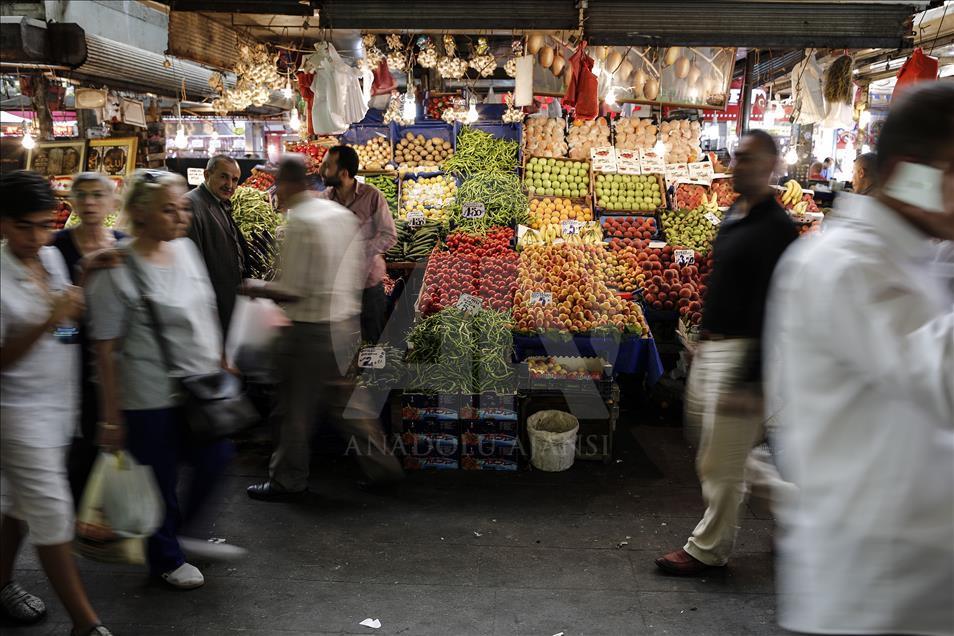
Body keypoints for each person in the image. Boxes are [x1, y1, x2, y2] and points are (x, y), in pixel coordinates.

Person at [768, 82, 954, 636]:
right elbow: (940, 373)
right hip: (878, 587)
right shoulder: (847, 265)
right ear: (910, 172)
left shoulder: (910, 258)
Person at [655, 130, 798, 576]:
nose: (737, 166)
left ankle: (708, 548)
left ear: (772, 166)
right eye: (737, 157)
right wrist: (705, 339)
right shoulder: (735, 213)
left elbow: (775, 307)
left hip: (746, 355)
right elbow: (724, 284)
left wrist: (751, 378)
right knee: (719, 453)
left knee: (720, 462)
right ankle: (800, 514)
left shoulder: (778, 229)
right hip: (718, 348)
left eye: (749, 159)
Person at [86, 170, 237, 590]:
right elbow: (105, 347)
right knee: (160, 478)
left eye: (182, 208)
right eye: (168, 209)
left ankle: (180, 533)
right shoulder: (116, 267)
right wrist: (111, 416)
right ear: (139, 212)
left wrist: (220, 356)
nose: (180, 216)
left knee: (216, 456)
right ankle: (165, 558)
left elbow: (205, 306)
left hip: (196, 384)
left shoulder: (186, 250)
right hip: (145, 393)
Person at [245, 157, 402, 502]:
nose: (275, 192)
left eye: (277, 185)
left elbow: (294, 289)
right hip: (343, 324)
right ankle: (384, 467)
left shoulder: (300, 222)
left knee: (293, 410)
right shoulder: (338, 215)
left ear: (287, 184)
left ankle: (287, 481)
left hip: (309, 330)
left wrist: (257, 288)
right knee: (348, 404)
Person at [0, 171, 112, 636]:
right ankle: (86, 624)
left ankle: (2, 584)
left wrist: (77, 298)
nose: (36, 237)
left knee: (15, 504)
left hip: (58, 406)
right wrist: (52, 318)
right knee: (52, 514)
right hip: (18, 412)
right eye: (24, 226)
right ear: (3, 223)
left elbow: (64, 334)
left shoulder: (50, 257)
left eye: (45, 225)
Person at [51, 173, 127, 505]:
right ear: (73, 201)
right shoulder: (56, 246)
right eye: (82, 195)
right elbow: (58, 320)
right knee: (81, 441)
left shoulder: (123, 244)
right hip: (73, 355)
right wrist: (85, 270)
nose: (90, 202)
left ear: (112, 202)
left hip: (117, 358)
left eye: (98, 195)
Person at [317, 145, 397, 343]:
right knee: (342, 345)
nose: (321, 169)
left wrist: (357, 251)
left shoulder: (372, 196)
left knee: (372, 343)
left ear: (343, 173)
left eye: (327, 165)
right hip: (335, 288)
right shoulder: (324, 199)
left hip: (367, 285)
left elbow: (389, 235)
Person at [186, 154, 249, 338]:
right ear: (207, 175)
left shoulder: (217, 201)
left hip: (226, 302)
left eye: (235, 179)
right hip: (212, 308)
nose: (230, 185)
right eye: (223, 176)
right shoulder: (192, 205)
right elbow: (194, 264)